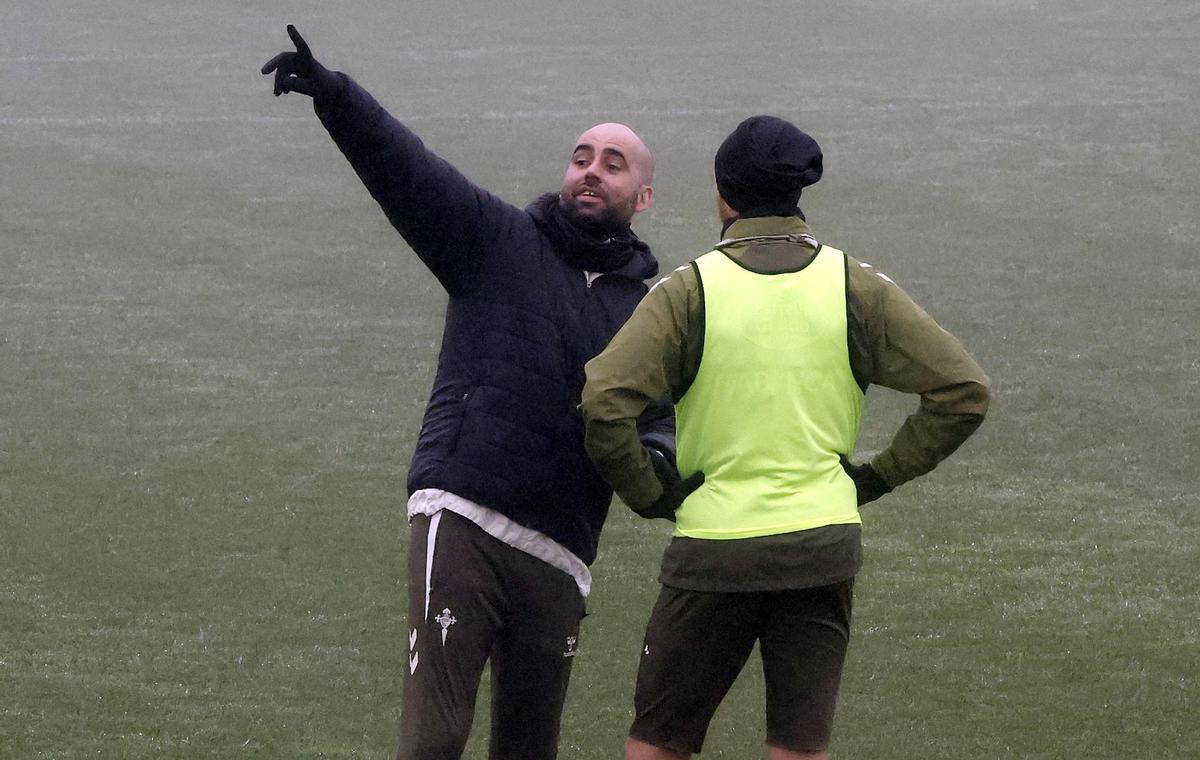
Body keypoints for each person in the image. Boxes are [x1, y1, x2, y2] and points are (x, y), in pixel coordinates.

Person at [262, 25, 673, 760]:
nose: (590, 172)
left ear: (642, 195)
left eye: (613, 165)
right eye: (582, 157)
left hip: (561, 552)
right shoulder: (498, 240)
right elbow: (410, 173)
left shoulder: (649, 313)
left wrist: (662, 463)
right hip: (463, 521)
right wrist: (337, 97)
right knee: (434, 740)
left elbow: (662, 422)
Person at [579, 115, 990, 760]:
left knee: (658, 744)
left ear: (723, 196)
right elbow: (964, 392)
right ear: (800, 193)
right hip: (821, 548)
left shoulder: (689, 291)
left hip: (713, 551)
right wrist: (876, 476)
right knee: (799, 749)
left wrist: (650, 492)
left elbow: (604, 402)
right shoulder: (854, 285)